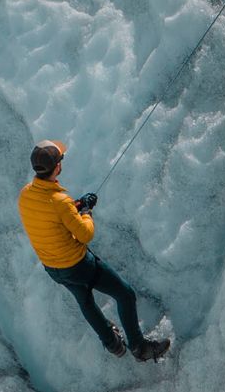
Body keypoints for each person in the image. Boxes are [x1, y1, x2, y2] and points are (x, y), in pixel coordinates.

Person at [19, 140, 170, 361]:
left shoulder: (26, 195)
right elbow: (85, 234)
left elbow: (51, 216)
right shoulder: (60, 201)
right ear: (57, 167)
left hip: (52, 268)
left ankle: (113, 344)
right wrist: (86, 212)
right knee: (125, 294)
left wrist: (77, 206)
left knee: (86, 301)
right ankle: (139, 348)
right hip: (78, 265)